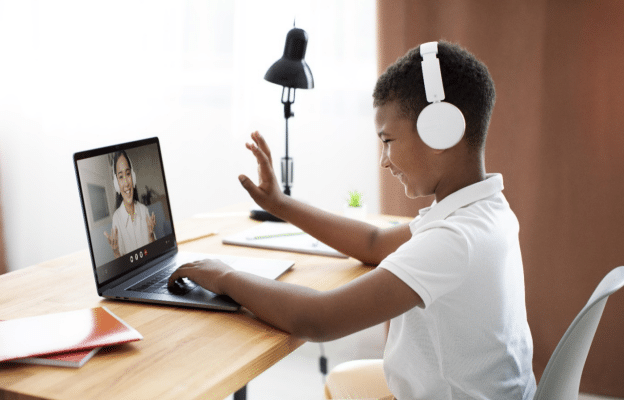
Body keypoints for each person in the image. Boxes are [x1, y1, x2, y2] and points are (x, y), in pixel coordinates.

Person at [169, 40, 536, 399]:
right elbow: (373, 244)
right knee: (345, 381)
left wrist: (225, 276)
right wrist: (280, 204)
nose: (384, 160)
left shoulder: (455, 238)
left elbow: (319, 318)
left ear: (440, 131)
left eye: (388, 140)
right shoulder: (482, 209)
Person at [104, 150, 157, 258]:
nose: (127, 183)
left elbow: (154, 254)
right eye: (121, 177)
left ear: (133, 177)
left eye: (128, 174)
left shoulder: (143, 210)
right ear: (116, 184)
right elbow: (122, 264)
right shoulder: (117, 218)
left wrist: (151, 236)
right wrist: (116, 251)